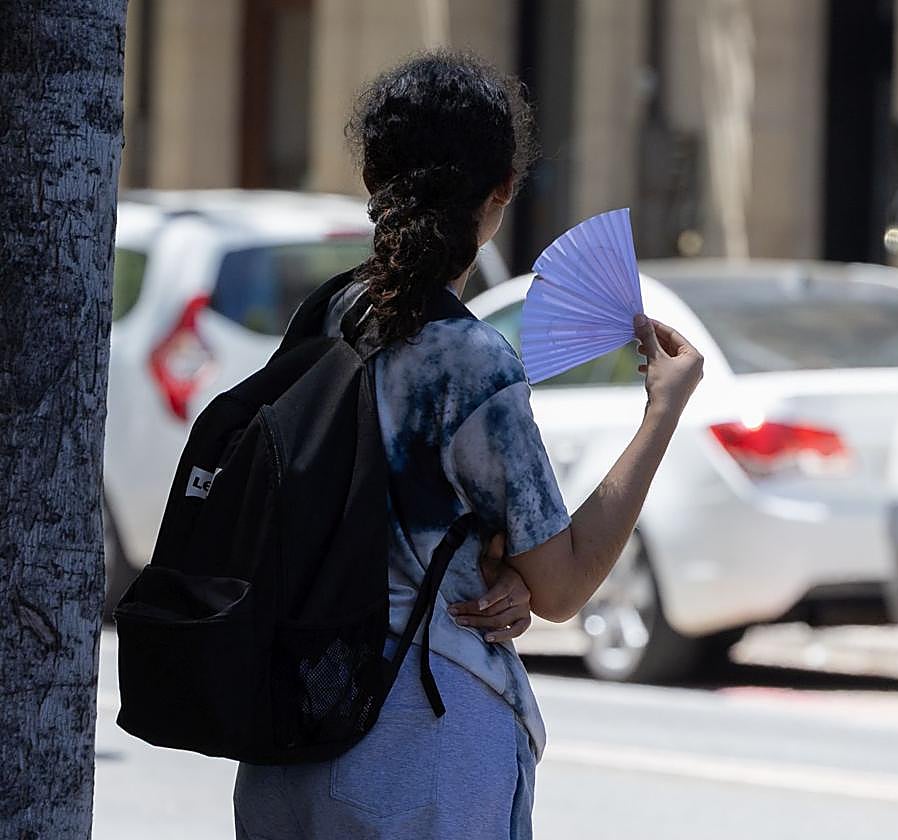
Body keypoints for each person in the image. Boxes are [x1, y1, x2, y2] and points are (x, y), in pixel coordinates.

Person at [233, 50, 703, 840]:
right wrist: (662, 410)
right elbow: (563, 587)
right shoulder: (470, 360)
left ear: (373, 185)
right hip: (421, 732)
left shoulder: (323, 317)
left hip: (284, 735)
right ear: (500, 195)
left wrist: (493, 562)